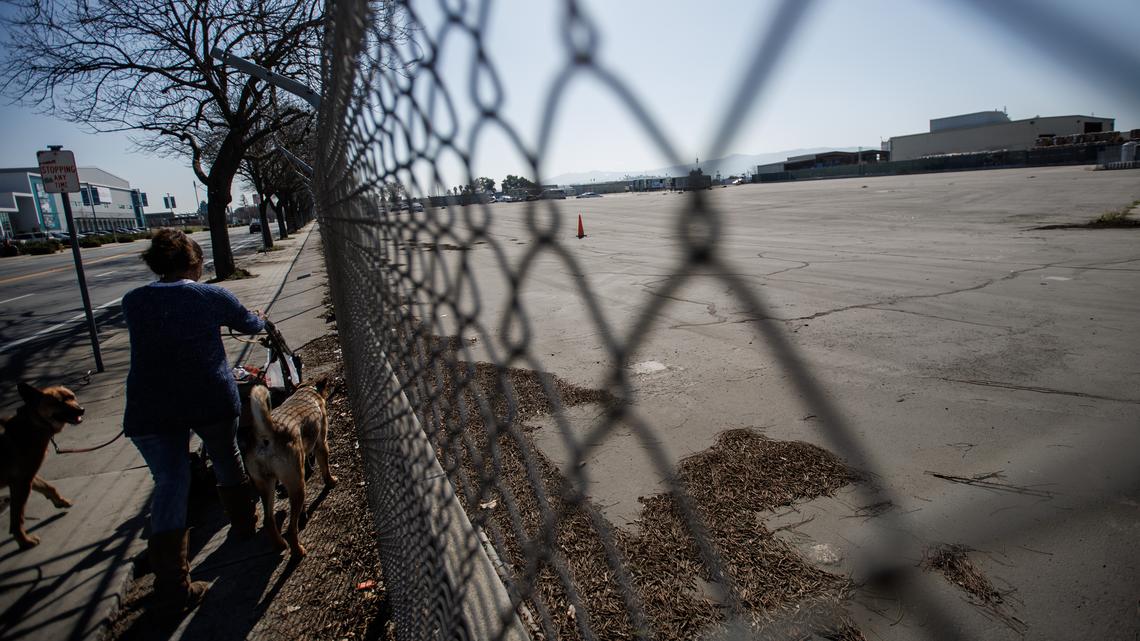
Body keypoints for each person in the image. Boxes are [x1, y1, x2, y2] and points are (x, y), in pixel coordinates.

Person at [122, 228, 263, 616]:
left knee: (169, 481)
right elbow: (249, 323)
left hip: (151, 404)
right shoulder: (209, 295)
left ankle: (172, 583)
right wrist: (260, 321)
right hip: (207, 395)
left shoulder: (133, 302)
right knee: (225, 455)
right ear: (194, 262)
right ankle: (244, 525)